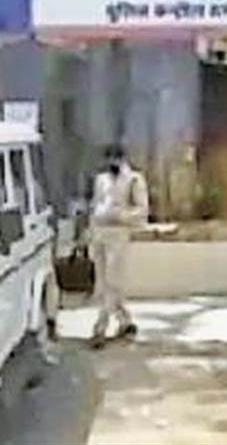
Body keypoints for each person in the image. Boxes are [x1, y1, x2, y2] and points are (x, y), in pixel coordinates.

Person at [88, 144, 149, 348]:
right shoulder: (101, 180)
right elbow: (96, 204)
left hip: (118, 234)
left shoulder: (134, 180)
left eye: (115, 158)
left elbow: (142, 210)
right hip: (99, 233)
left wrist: (119, 216)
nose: (111, 163)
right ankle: (125, 321)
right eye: (108, 159)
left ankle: (100, 328)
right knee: (102, 282)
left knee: (112, 281)